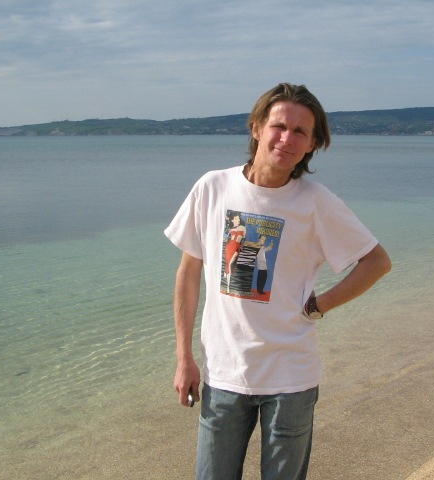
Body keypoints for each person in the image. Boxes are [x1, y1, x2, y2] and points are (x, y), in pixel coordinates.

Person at [164, 83, 391, 480]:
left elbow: (376, 262)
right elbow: (188, 274)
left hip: (291, 380)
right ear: (256, 128)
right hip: (224, 374)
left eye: (300, 131)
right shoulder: (212, 188)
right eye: (279, 126)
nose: (287, 138)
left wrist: (320, 305)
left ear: (312, 144)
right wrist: (185, 359)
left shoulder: (317, 203)